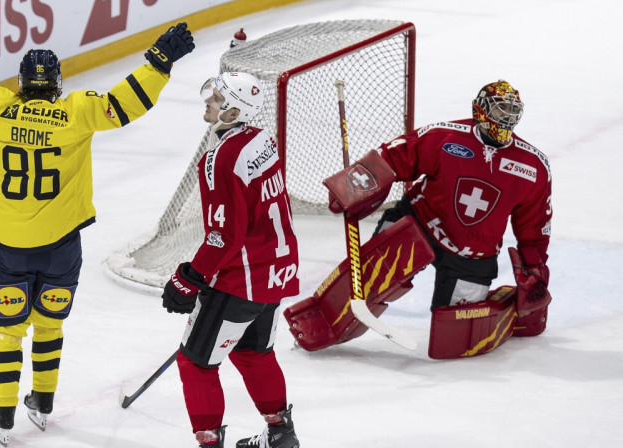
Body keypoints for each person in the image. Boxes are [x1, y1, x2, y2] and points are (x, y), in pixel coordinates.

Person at [0, 8, 194, 446]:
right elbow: (126, 103)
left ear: (21, 84)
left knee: (8, 331)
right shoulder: (77, 113)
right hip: (62, 248)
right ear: (57, 84)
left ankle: (3, 411)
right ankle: (42, 402)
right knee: (49, 326)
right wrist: (159, 62)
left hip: (8, 247)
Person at [307, 79, 552, 357]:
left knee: (456, 342)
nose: (506, 118)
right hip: (417, 227)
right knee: (366, 283)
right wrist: (353, 185)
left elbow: (535, 228)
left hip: (473, 256)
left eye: (511, 111)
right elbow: (393, 157)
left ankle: (505, 306)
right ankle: (319, 320)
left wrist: (535, 270)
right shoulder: (444, 137)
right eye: (499, 111)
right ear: (480, 110)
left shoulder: (533, 167)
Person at [160, 72, 301, 448]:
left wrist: (190, 277)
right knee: (253, 352)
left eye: (217, 100)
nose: (208, 103)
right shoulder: (262, 140)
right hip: (277, 270)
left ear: (235, 110)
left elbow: (224, 236)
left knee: (195, 363)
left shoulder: (220, 159)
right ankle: (280, 434)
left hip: (243, 279)